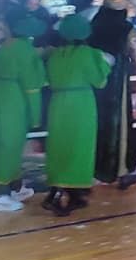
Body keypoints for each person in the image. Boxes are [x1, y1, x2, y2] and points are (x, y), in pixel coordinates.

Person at [42, 13, 112, 216]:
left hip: (58, 103)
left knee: (59, 147)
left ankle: (66, 193)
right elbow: (99, 81)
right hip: (81, 103)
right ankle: (64, 194)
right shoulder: (88, 53)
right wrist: (105, 63)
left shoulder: (55, 54)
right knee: (79, 147)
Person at [0, 13, 46, 212]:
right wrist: (36, 117)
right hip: (14, 101)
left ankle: (16, 187)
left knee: (2, 143)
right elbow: (32, 86)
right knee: (9, 145)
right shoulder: (25, 51)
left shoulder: (5, 47)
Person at [88, 0, 136, 191]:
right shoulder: (126, 29)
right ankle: (118, 170)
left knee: (96, 123)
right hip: (116, 82)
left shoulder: (93, 26)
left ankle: (92, 169)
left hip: (93, 81)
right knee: (118, 126)